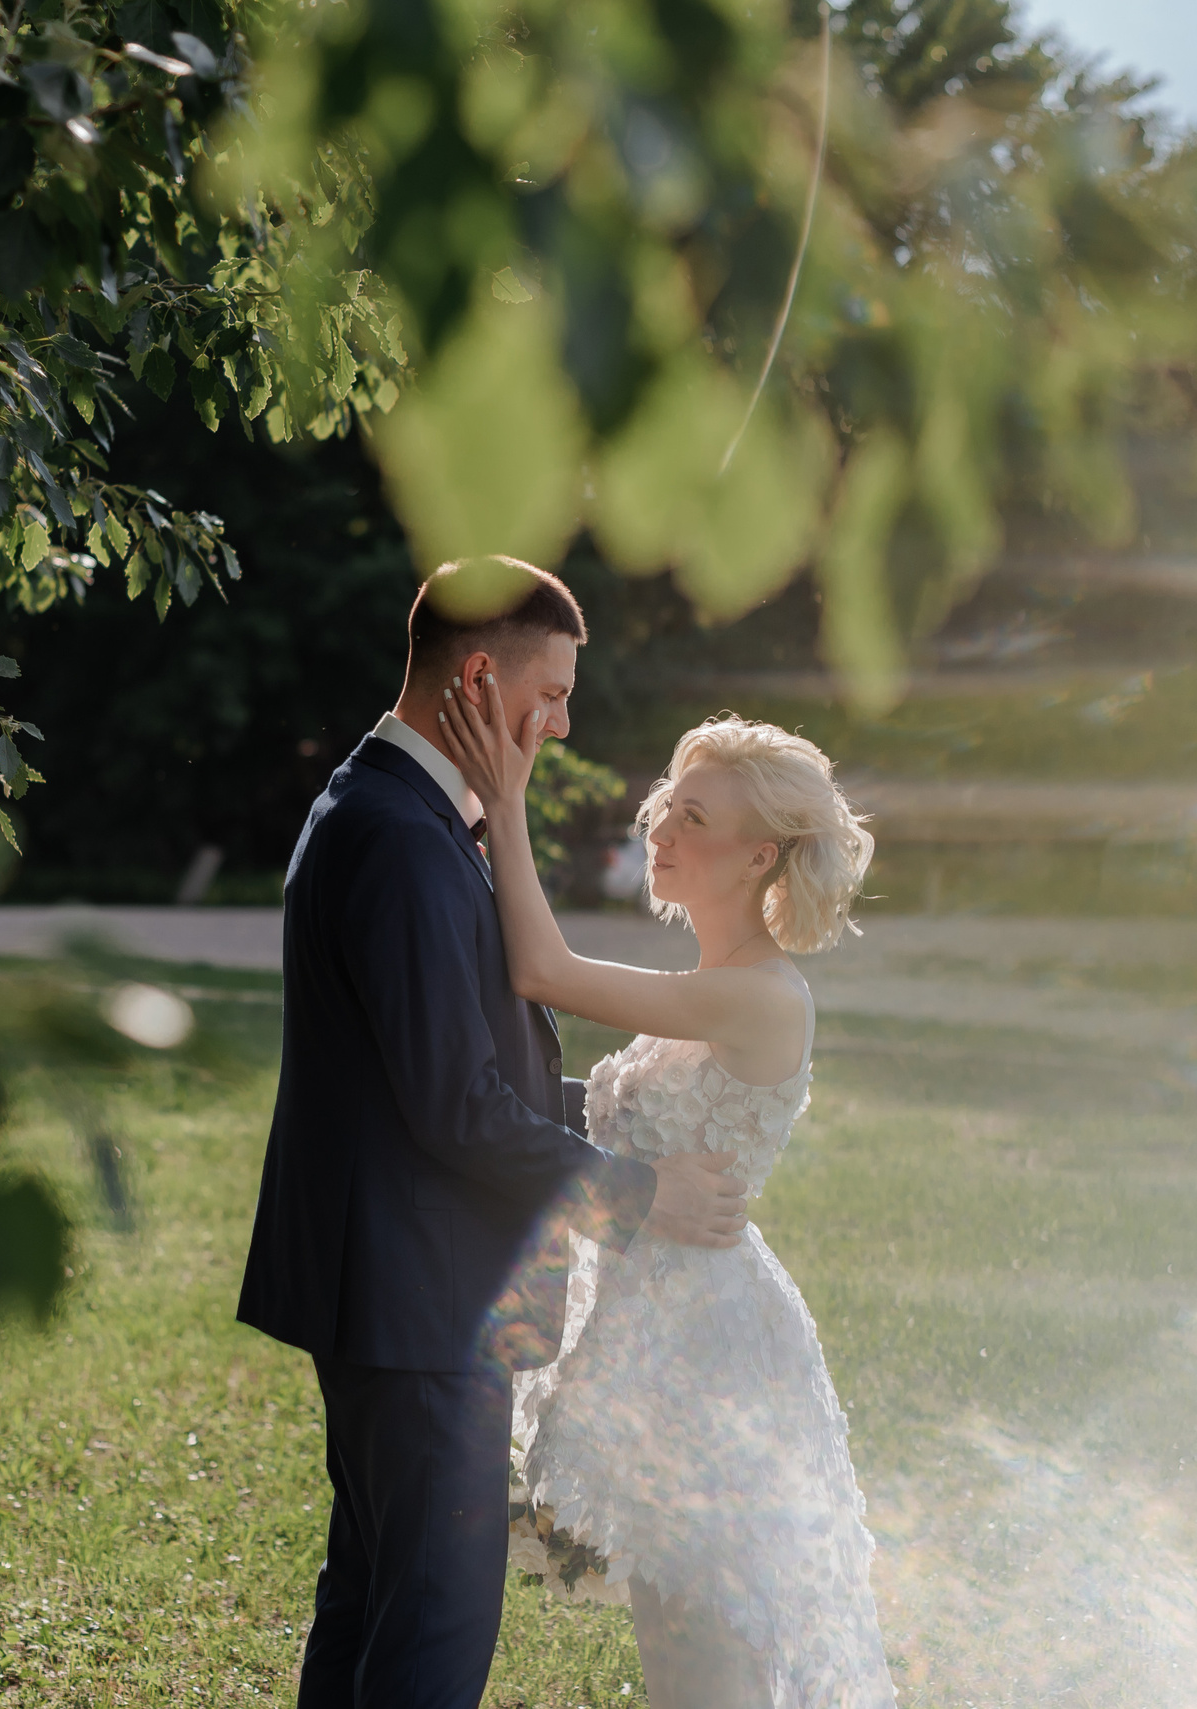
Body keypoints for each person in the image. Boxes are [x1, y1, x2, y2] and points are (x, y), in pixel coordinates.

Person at [235, 556, 752, 1709]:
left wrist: (613, 1116)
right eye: (553, 691)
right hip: (422, 1300)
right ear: (478, 675)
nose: (561, 722)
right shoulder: (405, 837)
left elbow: (439, 1071)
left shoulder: (384, 802)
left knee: (373, 1598)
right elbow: (453, 1105)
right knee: (431, 1632)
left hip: (392, 1287)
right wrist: (636, 1190)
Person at [445, 683, 898, 1709]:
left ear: (760, 855)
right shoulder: (712, 975)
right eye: (667, 803)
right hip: (656, 1320)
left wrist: (505, 804)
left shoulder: (759, 993)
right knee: (674, 1634)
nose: (661, 825)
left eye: (695, 816)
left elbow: (540, 968)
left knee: (706, 1643)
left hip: (708, 1344)